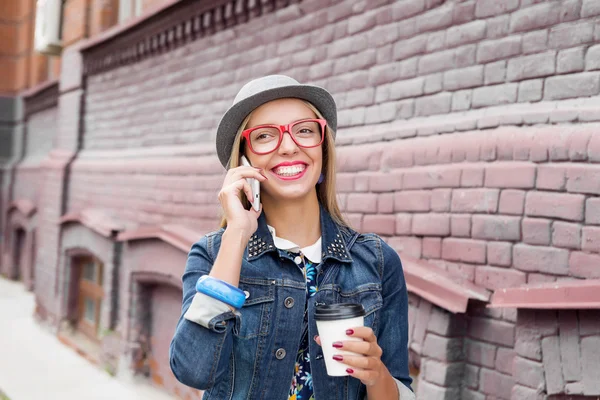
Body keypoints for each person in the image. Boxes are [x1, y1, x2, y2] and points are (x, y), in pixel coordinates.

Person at [169, 75, 414, 400]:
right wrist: (237, 234)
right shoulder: (213, 254)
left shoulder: (378, 262)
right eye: (265, 136)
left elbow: (399, 390)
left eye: (304, 130)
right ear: (244, 160)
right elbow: (192, 370)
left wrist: (375, 374)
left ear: (323, 149)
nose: (288, 146)